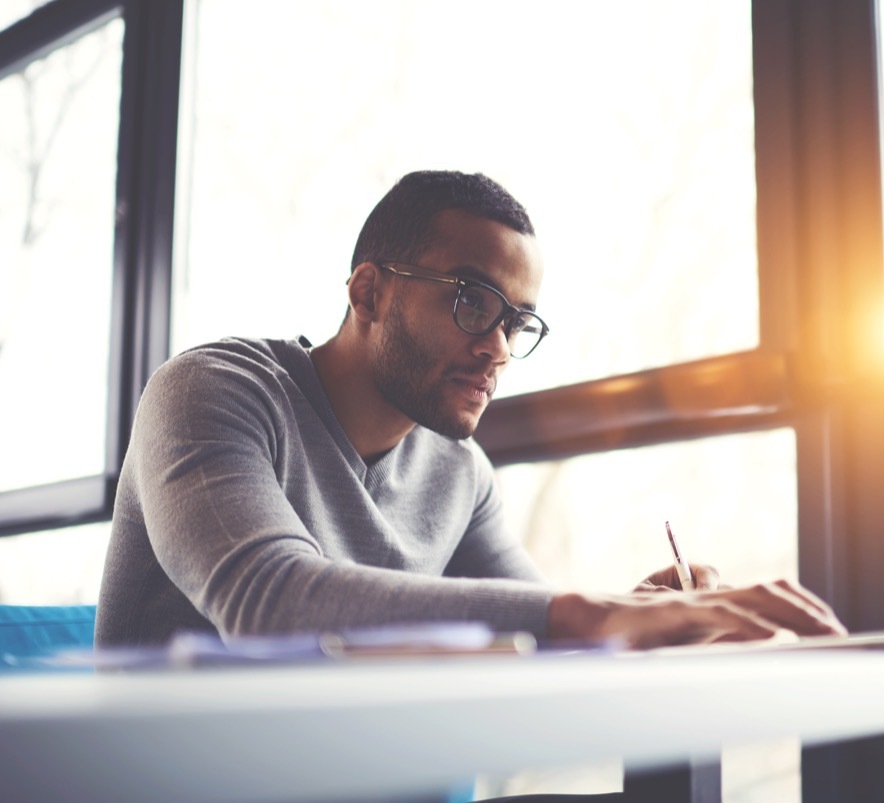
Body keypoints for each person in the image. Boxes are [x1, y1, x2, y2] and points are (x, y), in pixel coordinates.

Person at [95, 169, 845, 653]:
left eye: (516, 322)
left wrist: (639, 620)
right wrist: (586, 614)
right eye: (471, 302)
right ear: (368, 293)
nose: (498, 349)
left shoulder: (460, 473)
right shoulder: (212, 392)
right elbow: (268, 600)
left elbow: (532, 625)